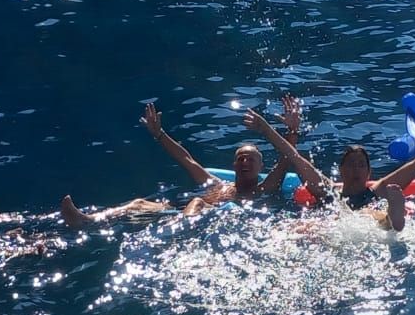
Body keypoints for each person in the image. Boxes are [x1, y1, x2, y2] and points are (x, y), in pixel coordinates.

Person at [60, 97, 302, 228]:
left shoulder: (265, 188)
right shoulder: (218, 185)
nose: (245, 161)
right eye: (241, 158)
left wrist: (292, 130)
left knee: (196, 201)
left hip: (212, 223)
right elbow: (185, 158)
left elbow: (287, 158)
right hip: (183, 217)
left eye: (252, 159)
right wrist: (158, 134)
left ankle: (175, 235)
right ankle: (88, 220)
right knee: (138, 203)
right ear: (234, 166)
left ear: (261, 168)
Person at [240, 106, 415, 233]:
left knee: (372, 217)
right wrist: (265, 129)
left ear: (368, 172)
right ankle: (393, 218)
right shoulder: (326, 190)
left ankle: (394, 217)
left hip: (367, 223)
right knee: (313, 225)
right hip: (338, 226)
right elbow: (293, 156)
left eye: (360, 165)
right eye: (350, 164)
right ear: (340, 170)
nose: (355, 169)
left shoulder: (379, 188)